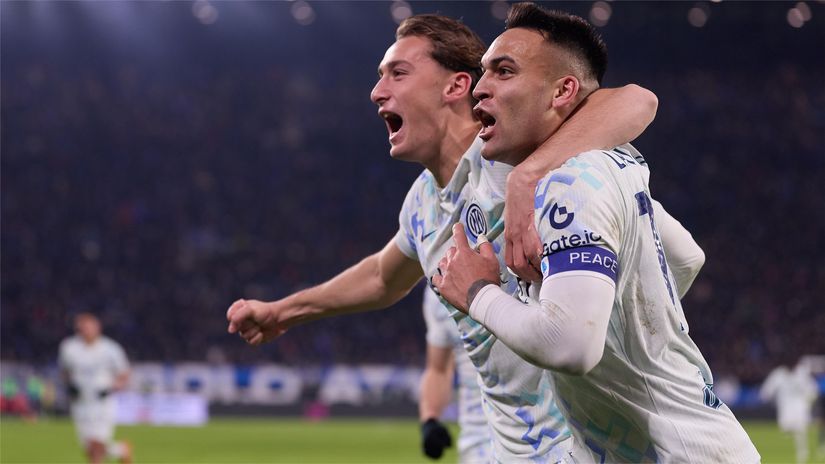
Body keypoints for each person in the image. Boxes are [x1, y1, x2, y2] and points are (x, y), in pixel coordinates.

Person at [228, 12, 658, 461]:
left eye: (398, 73)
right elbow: (381, 277)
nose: (377, 92)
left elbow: (636, 101)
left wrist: (528, 174)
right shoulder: (422, 201)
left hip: (582, 447)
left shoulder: (512, 153)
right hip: (507, 451)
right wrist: (282, 311)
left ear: (456, 86)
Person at [432, 3, 759, 462]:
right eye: (484, 72)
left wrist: (477, 292)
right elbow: (686, 257)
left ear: (562, 91)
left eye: (504, 71)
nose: (480, 88)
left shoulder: (572, 182)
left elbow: (570, 347)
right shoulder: (608, 163)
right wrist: (609, 314)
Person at [419, 287, 491, 461]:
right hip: (477, 441)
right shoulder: (437, 289)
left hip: (536, 436)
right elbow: (438, 368)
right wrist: (430, 420)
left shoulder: (524, 276)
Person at [58, 313, 132, 464]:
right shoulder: (69, 347)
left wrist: (114, 386)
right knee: (88, 447)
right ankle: (121, 449)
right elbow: (64, 371)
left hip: (102, 401)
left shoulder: (110, 348)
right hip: (80, 402)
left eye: (89, 327)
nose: (86, 331)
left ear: (98, 328)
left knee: (96, 445)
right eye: (83, 328)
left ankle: (116, 452)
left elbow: (124, 373)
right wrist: (70, 385)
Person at [761, 361, 819, 464]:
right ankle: (790, 451)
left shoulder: (802, 374)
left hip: (800, 407)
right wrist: (769, 398)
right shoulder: (779, 374)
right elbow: (766, 391)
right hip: (785, 408)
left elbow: (812, 391)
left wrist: (808, 403)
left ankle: (803, 452)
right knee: (787, 429)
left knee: (800, 430)